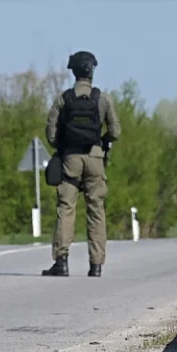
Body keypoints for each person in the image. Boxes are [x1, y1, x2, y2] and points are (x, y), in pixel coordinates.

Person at [42, 51, 121, 277]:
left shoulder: (63, 99)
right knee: (96, 210)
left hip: (70, 159)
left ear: (74, 72)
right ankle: (96, 265)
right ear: (92, 71)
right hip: (95, 158)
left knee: (66, 208)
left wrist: (63, 145)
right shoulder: (102, 99)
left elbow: (50, 132)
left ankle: (61, 262)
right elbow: (115, 131)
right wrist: (102, 142)